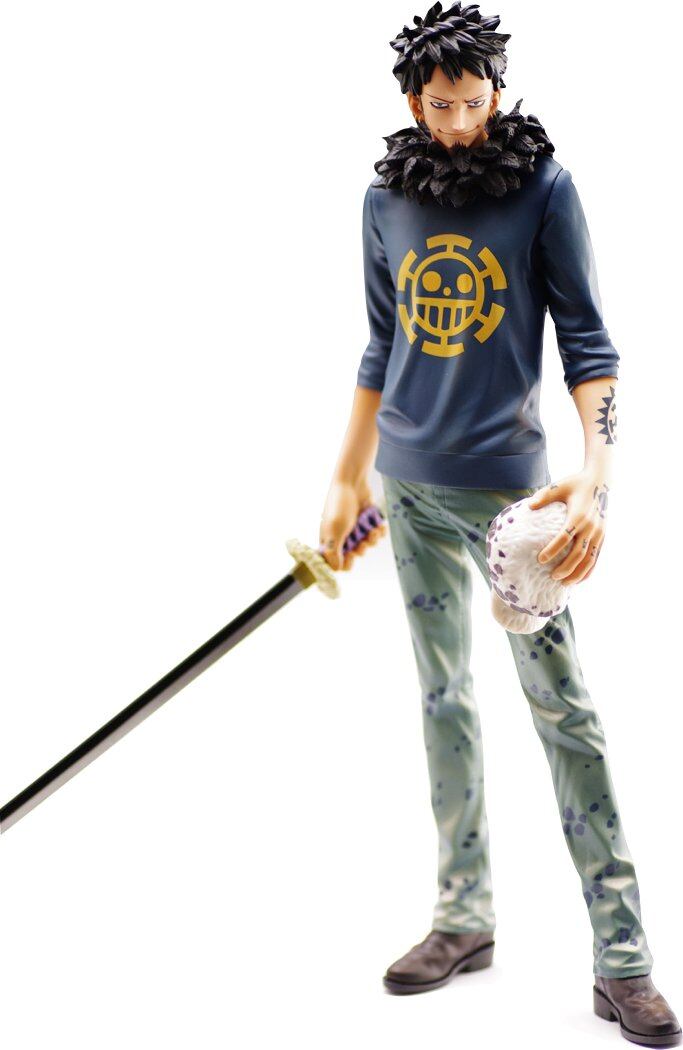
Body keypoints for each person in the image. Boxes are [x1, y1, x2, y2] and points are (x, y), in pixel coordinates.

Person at [319, 3, 681, 1045]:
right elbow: (381, 341)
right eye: (440, 106)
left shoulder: (542, 189)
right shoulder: (384, 197)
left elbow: (588, 342)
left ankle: (622, 961)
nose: (459, 123)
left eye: (474, 103)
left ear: (496, 92)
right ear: (411, 101)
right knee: (442, 699)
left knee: (564, 711)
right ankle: (462, 915)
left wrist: (595, 476)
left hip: (512, 506)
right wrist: (346, 477)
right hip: (408, 488)